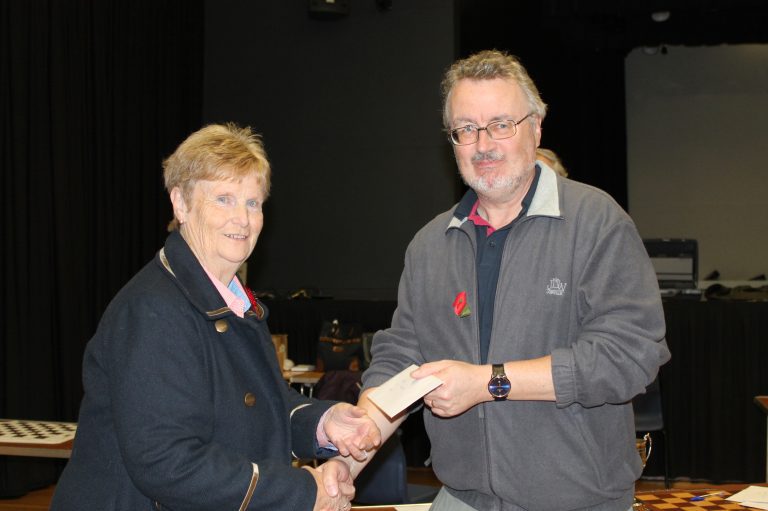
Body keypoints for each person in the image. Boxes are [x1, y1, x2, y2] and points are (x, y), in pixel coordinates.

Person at [353, 50, 670, 510]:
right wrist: (354, 443)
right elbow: (402, 356)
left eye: (501, 124)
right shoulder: (430, 244)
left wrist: (490, 382)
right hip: (462, 499)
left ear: (536, 128)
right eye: (466, 129)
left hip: (578, 500)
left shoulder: (596, 221)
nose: (483, 144)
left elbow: (629, 356)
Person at [51, 123, 380, 511]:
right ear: (181, 204)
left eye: (253, 202)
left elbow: (256, 406)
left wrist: (324, 424)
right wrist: (304, 490)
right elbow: (168, 463)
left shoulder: (233, 301)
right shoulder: (154, 310)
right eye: (223, 199)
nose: (241, 219)